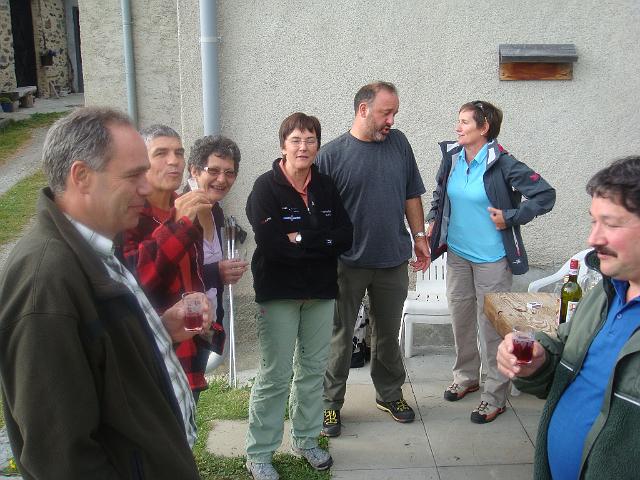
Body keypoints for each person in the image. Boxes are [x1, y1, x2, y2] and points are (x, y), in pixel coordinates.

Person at [0, 107, 205, 478]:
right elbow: (61, 458)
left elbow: (99, 357)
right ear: (82, 176)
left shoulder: (97, 246)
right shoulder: (45, 282)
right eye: (133, 175)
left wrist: (159, 329)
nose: (147, 187)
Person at [497, 156, 640, 479]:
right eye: (593, 222)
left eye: (611, 224)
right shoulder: (605, 293)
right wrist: (538, 362)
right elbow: (564, 359)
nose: (593, 239)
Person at [426, 100, 555, 423]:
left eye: (465, 122)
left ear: (484, 128)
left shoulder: (504, 163)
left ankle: (495, 396)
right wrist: (432, 220)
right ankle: (466, 377)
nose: (457, 127)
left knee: (491, 329)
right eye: (458, 121)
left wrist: (511, 216)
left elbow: (545, 195)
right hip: (457, 254)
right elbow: (441, 194)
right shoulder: (452, 157)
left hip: (492, 259)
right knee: (461, 319)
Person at [317, 81, 429, 437]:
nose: (391, 120)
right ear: (363, 110)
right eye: (386, 113)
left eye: (394, 113)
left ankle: (390, 394)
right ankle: (329, 403)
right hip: (346, 263)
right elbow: (318, 214)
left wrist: (420, 237)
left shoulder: (399, 144)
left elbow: (412, 194)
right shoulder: (331, 156)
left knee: (387, 336)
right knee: (339, 336)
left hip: (392, 259)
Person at [244, 112, 353, 480]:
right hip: (278, 292)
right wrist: (321, 244)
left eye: (310, 140)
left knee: (312, 370)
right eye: (296, 140)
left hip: (320, 291)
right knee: (275, 374)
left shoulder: (326, 186)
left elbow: (345, 236)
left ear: (318, 146)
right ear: (283, 146)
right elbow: (272, 246)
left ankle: (306, 439)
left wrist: (302, 238)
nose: (303, 146)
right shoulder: (265, 187)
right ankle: (260, 453)